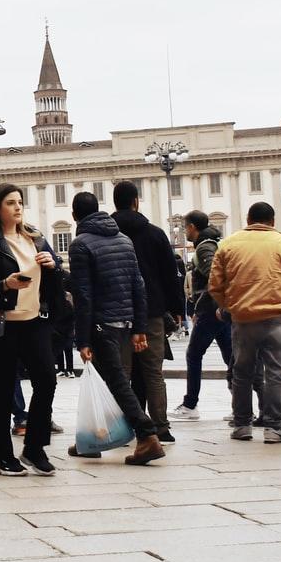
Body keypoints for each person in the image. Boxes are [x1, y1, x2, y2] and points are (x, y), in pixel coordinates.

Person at [0, 184, 59, 475]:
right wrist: (5, 285)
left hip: (33, 320)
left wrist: (53, 266)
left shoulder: (37, 240)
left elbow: (54, 283)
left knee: (47, 380)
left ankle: (34, 447)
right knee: (4, 388)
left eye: (20, 202)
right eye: (10, 203)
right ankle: (1, 454)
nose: (18, 207)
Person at [68, 190, 162, 466]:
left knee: (118, 382)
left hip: (100, 324)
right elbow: (138, 285)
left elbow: (83, 295)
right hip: (124, 321)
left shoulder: (81, 244)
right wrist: (139, 327)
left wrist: (82, 338)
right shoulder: (123, 239)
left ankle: (147, 436)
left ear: (74, 216)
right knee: (112, 381)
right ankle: (95, 438)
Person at [209, 201, 281, 444]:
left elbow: (215, 284)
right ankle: (273, 427)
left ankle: (242, 424)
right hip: (277, 317)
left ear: (248, 220)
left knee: (242, 372)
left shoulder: (228, 244)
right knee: (276, 373)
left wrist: (231, 306)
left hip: (243, 318)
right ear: (272, 221)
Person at [112, 181, 185, 443]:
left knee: (122, 372)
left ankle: (125, 425)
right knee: (153, 372)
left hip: (117, 313)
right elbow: (170, 274)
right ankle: (160, 427)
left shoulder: (107, 235)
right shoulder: (154, 234)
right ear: (136, 202)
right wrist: (177, 308)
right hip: (152, 312)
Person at [172, 211, 231, 421]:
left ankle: (190, 404)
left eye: (184, 227)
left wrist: (205, 306)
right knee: (230, 356)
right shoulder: (213, 241)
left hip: (210, 309)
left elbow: (215, 277)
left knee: (194, 354)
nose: (183, 231)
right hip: (218, 308)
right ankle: (243, 405)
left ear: (192, 227)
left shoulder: (205, 246)